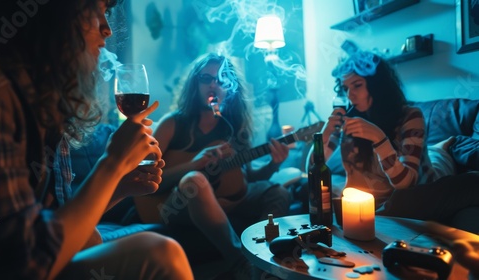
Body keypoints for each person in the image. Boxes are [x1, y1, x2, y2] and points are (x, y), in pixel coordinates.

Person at [0, 0, 193, 279]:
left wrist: (118, 187)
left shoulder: (45, 104)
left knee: (95, 238)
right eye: (96, 11)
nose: (107, 30)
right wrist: (112, 163)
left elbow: (58, 223)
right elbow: (18, 263)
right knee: (160, 253)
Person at [314, 49, 479, 278]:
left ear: (377, 85)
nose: (350, 94)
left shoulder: (410, 116)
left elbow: (405, 183)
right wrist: (324, 134)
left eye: (357, 85)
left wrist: (378, 138)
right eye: (345, 88)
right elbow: (312, 172)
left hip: (421, 186)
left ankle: (449, 147)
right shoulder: (349, 122)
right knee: (325, 195)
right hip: (377, 201)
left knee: (412, 195)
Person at [144, 52, 291, 277]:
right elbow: (144, 178)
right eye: (206, 79)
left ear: (230, 87)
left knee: (279, 192)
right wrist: (193, 164)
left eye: (221, 80)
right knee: (196, 180)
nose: (214, 85)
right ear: (195, 84)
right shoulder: (173, 124)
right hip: (174, 205)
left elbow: (248, 178)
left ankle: (263, 257)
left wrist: (273, 164)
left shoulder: (234, 127)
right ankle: (242, 262)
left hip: (225, 202)